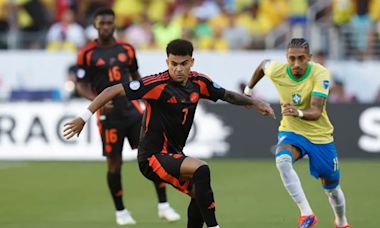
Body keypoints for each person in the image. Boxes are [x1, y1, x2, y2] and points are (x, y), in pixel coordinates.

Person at [64, 38, 276, 228]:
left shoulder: (200, 83)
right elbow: (112, 90)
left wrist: (255, 102)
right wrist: (83, 118)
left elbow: (227, 95)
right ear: (167, 62)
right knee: (202, 170)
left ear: (191, 62)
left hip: (173, 154)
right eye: (173, 64)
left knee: (199, 195)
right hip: (152, 157)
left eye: (183, 64)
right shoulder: (156, 84)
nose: (178, 69)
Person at [74, 8, 180, 225]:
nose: (105, 27)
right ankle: (121, 212)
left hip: (133, 112)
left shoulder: (127, 49)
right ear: (95, 25)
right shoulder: (86, 53)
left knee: (154, 154)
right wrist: (97, 101)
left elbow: (136, 78)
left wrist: (148, 99)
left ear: (114, 25)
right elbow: (81, 86)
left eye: (109, 23)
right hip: (108, 117)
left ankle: (164, 205)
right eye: (101, 23)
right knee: (114, 163)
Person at [243, 38, 351, 228]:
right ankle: (306, 213)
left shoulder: (320, 73)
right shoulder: (278, 70)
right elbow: (262, 65)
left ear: (309, 58)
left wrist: (298, 112)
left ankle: (341, 222)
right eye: (292, 59)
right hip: (292, 131)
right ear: (286, 58)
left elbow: (316, 111)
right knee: (282, 160)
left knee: (332, 189)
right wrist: (248, 89)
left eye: (301, 59)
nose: (296, 64)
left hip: (320, 136)